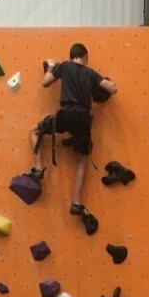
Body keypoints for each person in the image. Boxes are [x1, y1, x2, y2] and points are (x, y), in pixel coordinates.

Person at [25, 43, 117, 228]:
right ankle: (76, 202)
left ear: (72, 55)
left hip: (65, 114)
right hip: (82, 118)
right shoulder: (91, 73)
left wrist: (51, 66)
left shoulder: (64, 66)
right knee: (82, 160)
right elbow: (112, 89)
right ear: (86, 56)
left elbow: (46, 82)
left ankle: (37, 168)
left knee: (34, 131)